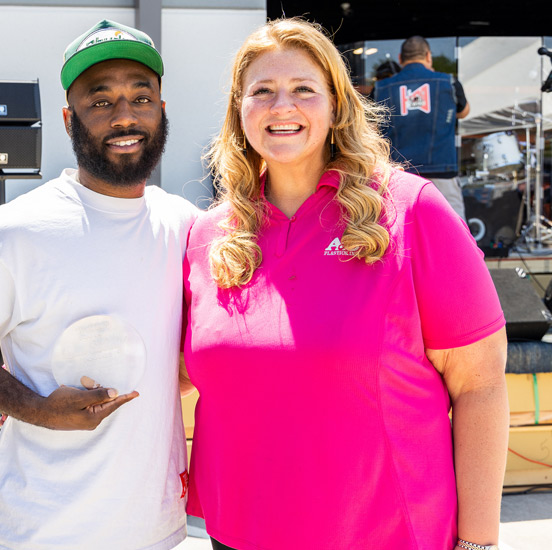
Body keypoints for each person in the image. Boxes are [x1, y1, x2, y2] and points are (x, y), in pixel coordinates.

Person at [183, 19, 508, 550]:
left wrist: (477, 542)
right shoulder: (207, 236)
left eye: (304, 90)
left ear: (336, 105)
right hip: (236, 534)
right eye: (261, 91)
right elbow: (179, 373)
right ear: (239, 112)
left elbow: (482, 385)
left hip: (384, 534)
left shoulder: (412, 210)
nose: (280, 106)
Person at [0, 19, 199, 550]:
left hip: (157, 528)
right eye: (101, 101)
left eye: (141, 96)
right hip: (43, 530)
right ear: (70, 119)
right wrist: (39, 409)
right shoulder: (12, 234)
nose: (125, 116)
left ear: (162, 110)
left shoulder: (185, 226)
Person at [375, 35, 471, 219]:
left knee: (402, 229)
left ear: (400, 58)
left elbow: (372, 126)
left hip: (399, 174)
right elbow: (464, 111)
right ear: (429, 56)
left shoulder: (381, 87)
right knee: (453, 229)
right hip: (442, 170)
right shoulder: (448, 82)